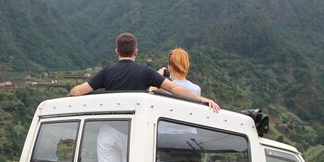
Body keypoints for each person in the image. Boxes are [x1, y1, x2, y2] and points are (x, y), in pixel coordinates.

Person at [70, 32, 220, 112]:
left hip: (111, 127)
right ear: (136, 52)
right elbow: (175, 88)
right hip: (134, 127)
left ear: (116, 51)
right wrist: (201, 99)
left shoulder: (106, 72)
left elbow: (76, 92)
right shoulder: (146, 72)